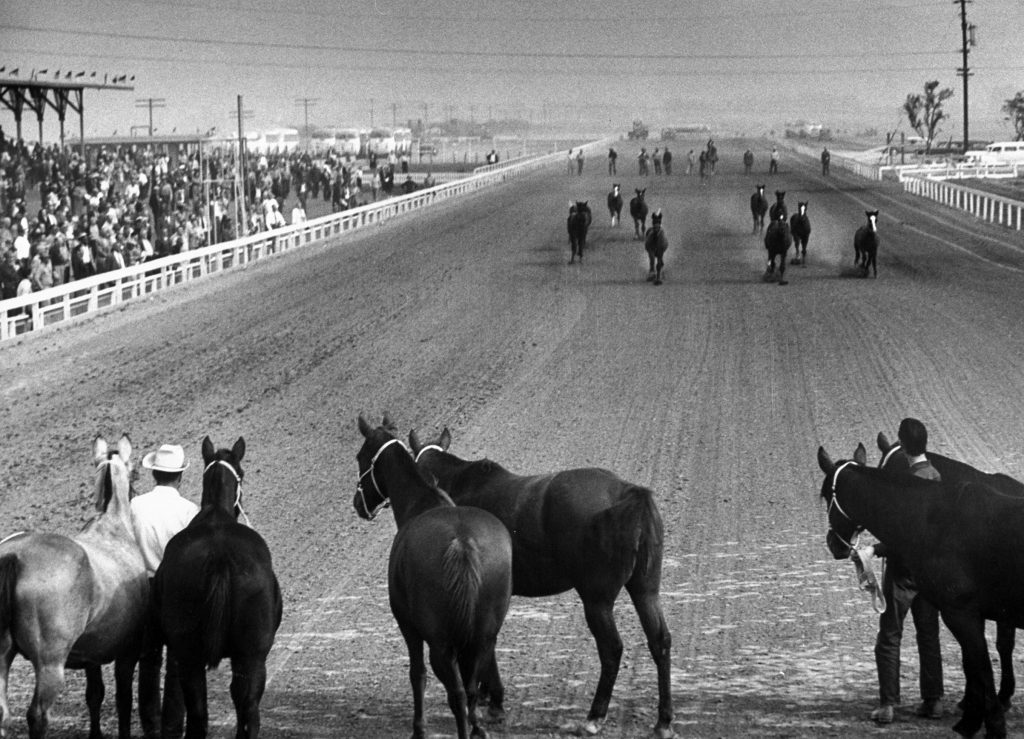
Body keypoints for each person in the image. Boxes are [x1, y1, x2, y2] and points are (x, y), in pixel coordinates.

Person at [856, 418, 944, 725]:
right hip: (930, 572)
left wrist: (874, 550)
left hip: (903, 571)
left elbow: (902, 535)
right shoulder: (936, 477)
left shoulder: (906, 484)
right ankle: (933, 701)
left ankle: (888, 705)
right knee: (929, 634)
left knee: (890, 636)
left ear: (903, 446)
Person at [131, 444, 200, 739]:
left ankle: (151, 728)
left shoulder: (136, 506)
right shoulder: (189, 511)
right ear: (180, 477)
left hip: (143, 589)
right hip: (176, 591)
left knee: (148, 660)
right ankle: (172, 730)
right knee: (176, 664)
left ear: (154, 474)